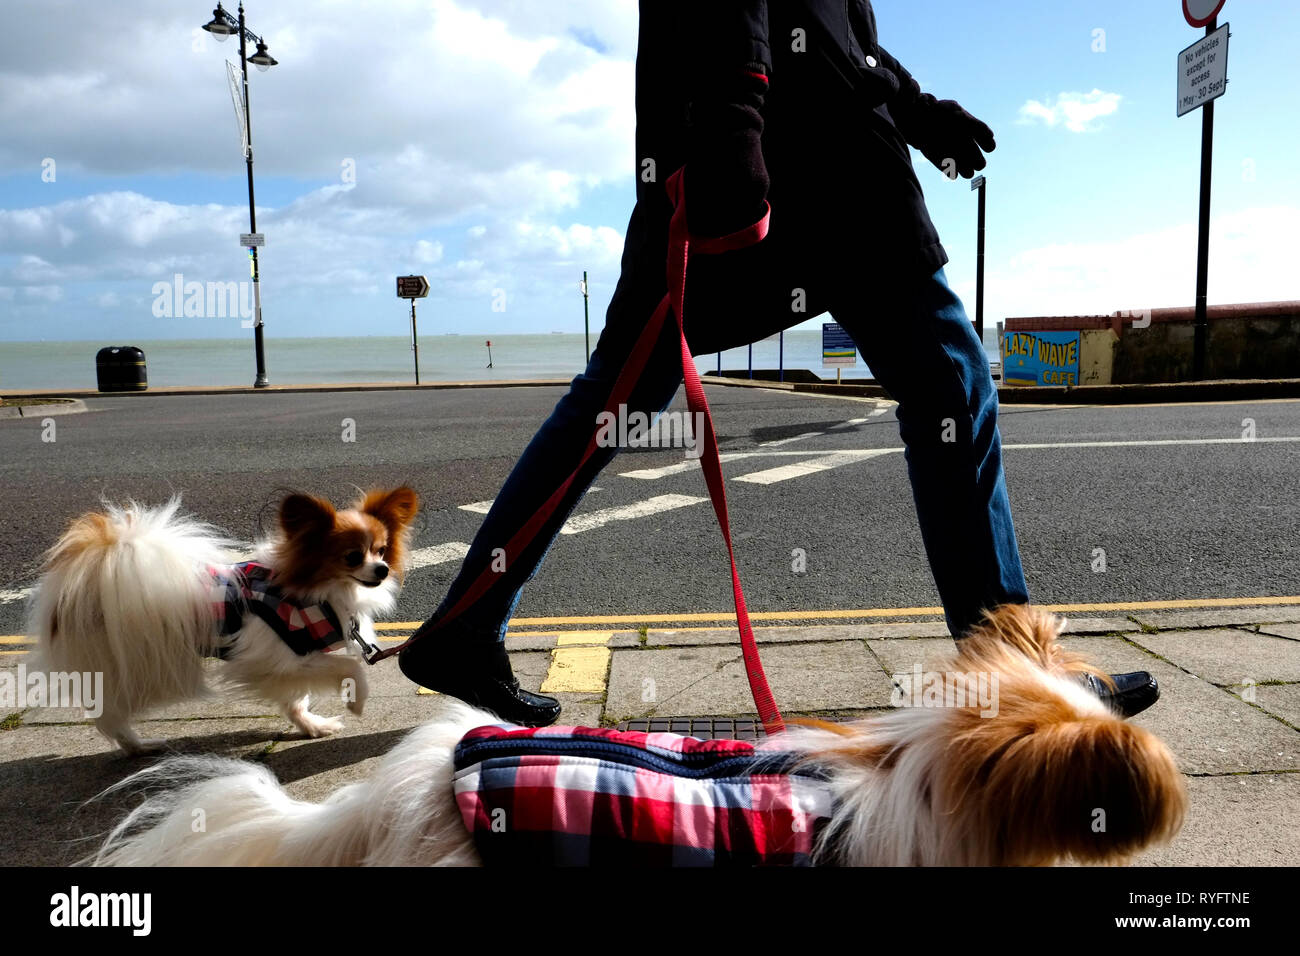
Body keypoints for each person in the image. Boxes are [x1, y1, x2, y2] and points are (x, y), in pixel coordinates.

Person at [398, 0, 1158, 725]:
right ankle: (1012, 674)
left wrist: (917, 109)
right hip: (803, 158)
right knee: (947, 391)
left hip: (807, 151)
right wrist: (732, 116)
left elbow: (835, 28)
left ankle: (466, 627)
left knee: (625, 404)